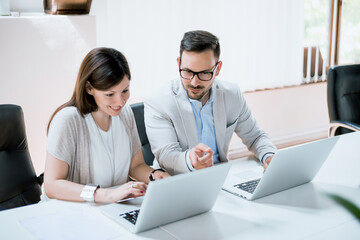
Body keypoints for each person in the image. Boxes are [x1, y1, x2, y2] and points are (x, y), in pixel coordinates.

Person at [43, 47, 170, 203]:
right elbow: (51, 185)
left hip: (111, 209)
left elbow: (136, 166)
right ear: (89, 88)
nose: (120, 101)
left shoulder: (125, 114)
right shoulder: (69, 120)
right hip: (70, 212)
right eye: (110, 94)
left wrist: (156, 176)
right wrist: (105, 195)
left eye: (125, 90)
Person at [145, 30, 277, 175]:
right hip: (177, 180)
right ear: (179, 63)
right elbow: (166, 156)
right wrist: (190, 159)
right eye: (188, 72)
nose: (194, 82)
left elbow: (255, 137)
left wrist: (269, 156)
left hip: (220, 178)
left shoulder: (231, 94)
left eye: (204, 73)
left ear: (218, 69)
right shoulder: (159, 101)